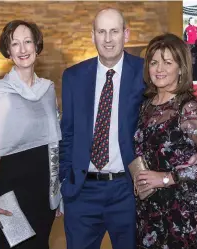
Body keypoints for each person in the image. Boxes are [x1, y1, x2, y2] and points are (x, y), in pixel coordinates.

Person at [59, 8, 145, 249]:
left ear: (126, 34)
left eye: (114, 31)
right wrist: (66, 180)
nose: (108, 39)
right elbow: (67, 133)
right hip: (83, 192)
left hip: (127, 191)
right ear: (93, 35)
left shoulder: (145, 72)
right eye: (102, 32)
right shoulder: (73, 76)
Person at [0, 20, 62, 249]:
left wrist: (57, 193)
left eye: (28, 42)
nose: (23, 49)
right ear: (8, 51)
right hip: (11, 194)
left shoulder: (47, 89)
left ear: (37, 46)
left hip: (43, 190)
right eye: (15, 44)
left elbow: (53, 144)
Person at [134, 33, 197, 249]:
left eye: (167, 62)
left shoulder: (188, 108)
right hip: (148, 210)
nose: (159, 68)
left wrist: (165, 178)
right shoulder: (146, 106)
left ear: (180, 68)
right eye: (154, 62)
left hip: (181, 212)